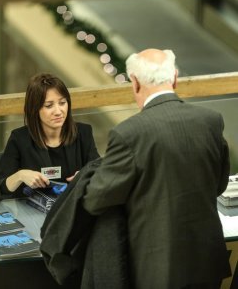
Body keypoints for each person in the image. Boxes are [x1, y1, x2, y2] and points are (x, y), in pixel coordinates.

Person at [82, 48, 231, 289]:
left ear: (135, 82)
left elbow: (96, 200)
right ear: (174, 77)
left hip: (157, 268)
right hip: (205, 259)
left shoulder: (129, 133)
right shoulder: (211, 120)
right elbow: (219, 183)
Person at [0, 73, 100, 201]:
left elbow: (100, 171)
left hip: (73, 211)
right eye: (49, 106)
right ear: (35, 109)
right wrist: (20, 175)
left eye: (62, 103)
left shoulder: (83, 133)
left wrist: (87, 175)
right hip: (31, 215)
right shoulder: (19, 139)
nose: (58, 111)